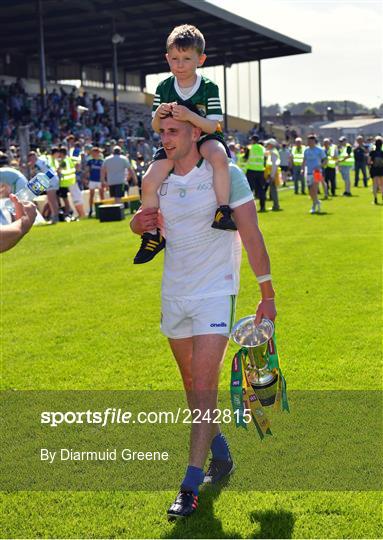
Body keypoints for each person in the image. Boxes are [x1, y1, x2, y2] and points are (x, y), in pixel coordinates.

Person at [130, 109, 276, 521]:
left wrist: (267, 294)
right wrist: (137, 224)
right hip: (175, 293)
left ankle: (190, 485)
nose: (166, 137)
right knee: (192, 387)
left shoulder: (225, 173)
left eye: (174, 131)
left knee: (205, 387)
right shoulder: (158, 177)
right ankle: (221, 454)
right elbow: (143, 225)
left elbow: (252, 235)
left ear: (197, 132)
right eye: (162, 131)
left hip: (216, 291)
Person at [134, 24, 235, 265]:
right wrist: (159, 114)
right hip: (175, 142)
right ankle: (152, 234)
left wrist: (189, 116)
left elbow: (212, 126)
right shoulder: (163, 87)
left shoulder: (209, 87)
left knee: (219, 156)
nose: (180, 65)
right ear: (167, 59)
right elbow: (156, 126)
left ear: (200, 59)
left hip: (204, 137)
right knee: (149, 180)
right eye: (175, 59)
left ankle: (223, 210)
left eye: (187, 59)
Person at [27, 150, 60, 223]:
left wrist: (31, 167)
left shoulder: (37, 164)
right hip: (52, 178)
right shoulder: (41, 160)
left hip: (50, 179)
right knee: (51, 199)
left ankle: (55, 217)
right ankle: (54, 216)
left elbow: (37, 175)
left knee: (52, 200)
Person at [302, 134, 327, 214]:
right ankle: (317, 201)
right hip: (308, 171)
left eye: (310, 141)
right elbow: (304, 160)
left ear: (314, 141)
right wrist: (302, 169)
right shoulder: (306, 150)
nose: (309, 142)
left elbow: (325, 160)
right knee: (310, 191)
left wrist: (320, 166)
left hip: (317, 171)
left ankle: (314, 205)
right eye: (308, 141)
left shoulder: (319, 150)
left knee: (315, 188)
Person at [246, 135, 266, 211]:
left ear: (253, 140)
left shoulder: (249, 147)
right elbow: (265, 159)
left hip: (251, 170)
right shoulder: (263, 148)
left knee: (249, 190)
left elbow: (245, 158)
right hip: (260, 171)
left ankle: (249, 208)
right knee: (261, 189)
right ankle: (262, 207)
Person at [85, 147, 104, 217]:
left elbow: (104, 171)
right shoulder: (90, 161)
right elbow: (87, 170)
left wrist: (104, 180)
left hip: (99, 180)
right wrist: (87, 178)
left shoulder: (102, 161)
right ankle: (90, 210)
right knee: (91, 195)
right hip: (92, 180)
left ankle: (103, 209)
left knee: (101, 195)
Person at [264, 138, 281, 211]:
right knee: (272, 189)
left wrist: (272, 175)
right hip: (271, 173)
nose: (266, 146)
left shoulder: (273, 153)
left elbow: (274, 165)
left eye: (267, 145)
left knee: (273, 189)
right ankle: (275, 205)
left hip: (272, 173)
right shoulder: (273, 152)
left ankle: (276, 205)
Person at [368, 136, 383, 205]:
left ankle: (375, 198)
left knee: (375, 184)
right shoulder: (382, 152)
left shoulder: (372, 152)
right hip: (381, 169)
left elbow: (369, 161)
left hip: (374, 169)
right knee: (381, 184)